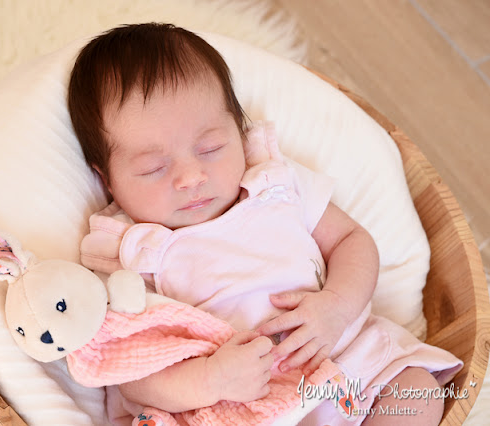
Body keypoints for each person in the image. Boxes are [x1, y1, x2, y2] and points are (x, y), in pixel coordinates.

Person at [68, 23, 462, 425]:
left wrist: (337, 308)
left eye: (210, 148)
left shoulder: (274, 184)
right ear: (106, 179)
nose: (191, 177)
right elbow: (130, 370)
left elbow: (351, 239)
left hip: (342, 361)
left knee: (418, 391)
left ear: (238, 132)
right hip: (238, 402)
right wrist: (209, 381)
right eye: (154, 168)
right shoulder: (130, 250)